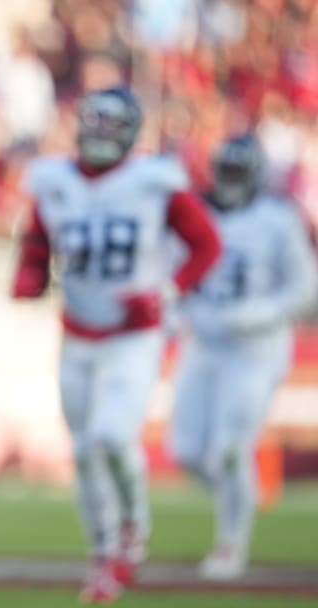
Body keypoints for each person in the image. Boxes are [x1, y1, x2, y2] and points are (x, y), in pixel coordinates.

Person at [10, 86, 222, 603]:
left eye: (112, 126)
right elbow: (38, 238)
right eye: (95, 123)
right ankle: (104, 554)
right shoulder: (54, 180)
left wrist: (167, 293)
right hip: (78, 331)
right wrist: (30, 274)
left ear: (130, 134)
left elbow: (206, 244)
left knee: (109, 436)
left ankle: (132, 528)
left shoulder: (154, 180)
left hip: (135, 333)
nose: (101, 134)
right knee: (83, 452)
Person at [169, 134, 318, 580]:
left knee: (231, 447)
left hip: (256, 348)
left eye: (238, 172)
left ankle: (230, 544)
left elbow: (305, 286)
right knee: (189, 452)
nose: (230, 180)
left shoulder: (276, 218)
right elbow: (171, 271)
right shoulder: (193, 212)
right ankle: (243, 496)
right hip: (204, 343)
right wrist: (176, 311)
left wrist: (263, 313)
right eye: (225, 171)